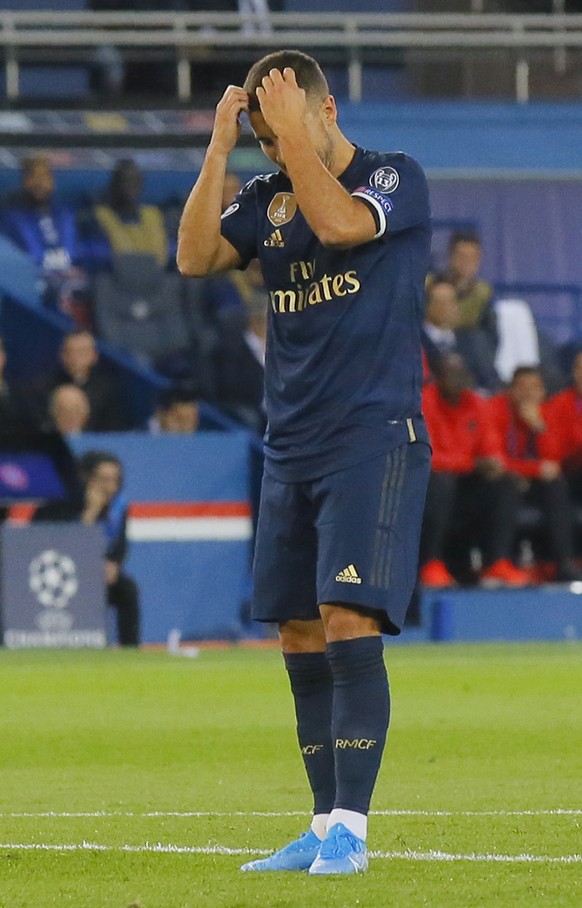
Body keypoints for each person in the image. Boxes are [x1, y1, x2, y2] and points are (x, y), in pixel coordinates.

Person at [177, 49, 432, 875]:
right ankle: (321, 826)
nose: (275, 157)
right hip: (289, 447)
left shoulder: (396, 178)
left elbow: (342, 226)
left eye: (283, 136)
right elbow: (193, 258)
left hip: (371, 439)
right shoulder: (266, 195)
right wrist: (221, 150)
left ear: (325, 113)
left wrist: (292, 134)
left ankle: (352, 833)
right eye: (266, 144)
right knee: (297, 631)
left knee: (350, 619)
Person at [420, 353, 530, 588]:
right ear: (438, 377)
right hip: (433, 485)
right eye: (451, 373)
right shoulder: (424, 402)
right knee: (441, 482)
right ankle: (431, 563)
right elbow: (427, 456)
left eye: (461, 373)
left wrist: (495, 464)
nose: (457, 378)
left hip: (468, 483)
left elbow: (491, 447)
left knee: (505, 482)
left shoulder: (477, 403)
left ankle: (497, 562)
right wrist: (471, 464)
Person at [34, 450, 140, 647]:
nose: (110, 487)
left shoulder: (118, 508)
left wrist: (113, 564)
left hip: (95, 575)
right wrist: (90, 512)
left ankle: (131, 652)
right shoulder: (61, 503)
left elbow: (119, 545)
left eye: (115, 480)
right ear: (85, 478)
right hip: (57, 577)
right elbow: (57, 547)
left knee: (127, 589)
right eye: (103, 479)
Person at [487, 366, 581, 582]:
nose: (529, 394)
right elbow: (496, 461)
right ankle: (498, 562)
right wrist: (533, 470)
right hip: (500, 483)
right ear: (510, 390)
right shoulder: (495, 409)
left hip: (533, 484)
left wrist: (539, 426)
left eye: (535, 388)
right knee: (508, 484)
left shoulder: (547, 411)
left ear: (543, 392)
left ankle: (563, 563)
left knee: (557, 485)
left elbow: (555, 461)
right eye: (523, 388)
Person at [0, 155, 89, 320]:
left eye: (45, 177)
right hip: (34, 283)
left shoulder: (65, 215)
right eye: (34, 177)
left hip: (72, 282)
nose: (39, 184)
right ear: (24, 182)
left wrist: (77, 269)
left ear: (53, 182)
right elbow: (14, 261)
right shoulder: (11, 218)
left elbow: (80, 252)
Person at [32, 329, 129, 432]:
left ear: (94, 356)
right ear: (62, 356)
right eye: (70, 352)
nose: (75, 357)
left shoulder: (108, 391)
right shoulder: (44, 388)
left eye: (82, 352)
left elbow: (114, 430)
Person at [422, 274, 500, 392]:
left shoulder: (473, 341)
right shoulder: (416, 341)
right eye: (441, 303)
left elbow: (491, 383)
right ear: (426, 306)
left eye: (451, 302)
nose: (448, 308)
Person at [91, 158, 169, 269]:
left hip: (155, 277)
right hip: (119, 278)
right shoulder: (102, 215)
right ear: (115, 184)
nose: (130, 187)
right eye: (126, 181)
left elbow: (160, 256)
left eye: (135, 181)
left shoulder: (152, 214)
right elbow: (122, 253)